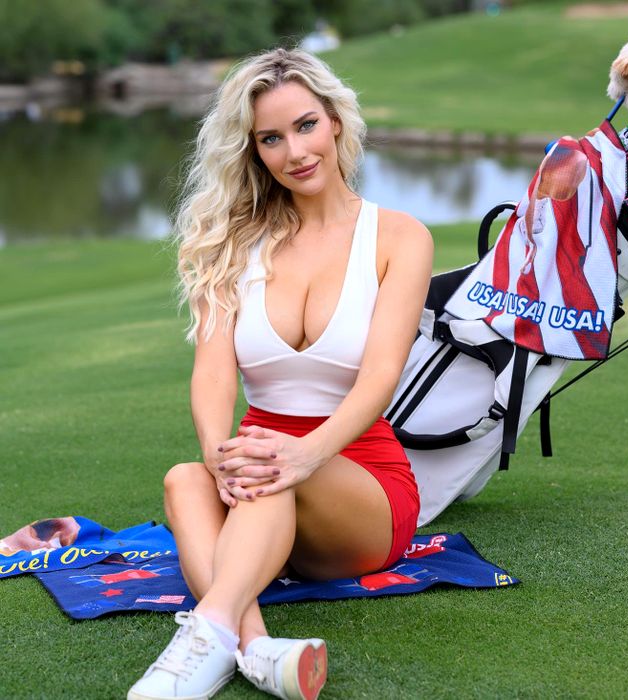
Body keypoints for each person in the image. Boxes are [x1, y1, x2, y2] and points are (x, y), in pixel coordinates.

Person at [128, 47, 433, 700]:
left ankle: (203, 636)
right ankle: (256, 649)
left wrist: (303, 455)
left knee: (266, 464)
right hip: (259, 474)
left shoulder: (400, 237)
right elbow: (213, 374)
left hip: (359, 483)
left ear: (336, 122)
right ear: (253, 150)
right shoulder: (230, 242)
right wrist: (217, 456)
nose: (295, 151)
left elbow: (381, 375)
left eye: (305, 125)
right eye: (271, 138)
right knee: (185, 479)